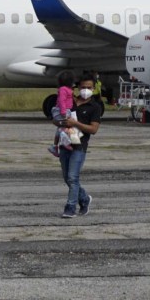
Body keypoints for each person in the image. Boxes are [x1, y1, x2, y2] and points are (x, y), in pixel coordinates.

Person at [57, 72, 101, 219]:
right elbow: (56, 119)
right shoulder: (70, 102)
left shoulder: (95, 106)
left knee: (72, 177)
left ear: (94, 88)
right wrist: (60, 121)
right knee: (67, 178)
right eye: (83, 87)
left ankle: (70, 207)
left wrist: (75, 124)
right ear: (77, 87)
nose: (86, 90)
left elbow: (93, 129)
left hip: (79, 146)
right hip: (65, 144)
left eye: (89, 87)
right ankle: (84, 199)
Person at [48, 69, 79, 156]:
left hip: (65, 110)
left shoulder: (66, 89)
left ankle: (55, 146)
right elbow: (62, 101)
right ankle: (66, 142)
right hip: (63, 110)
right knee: (69, 125)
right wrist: (63, 112)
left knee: (61, 127)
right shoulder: (63, 89)